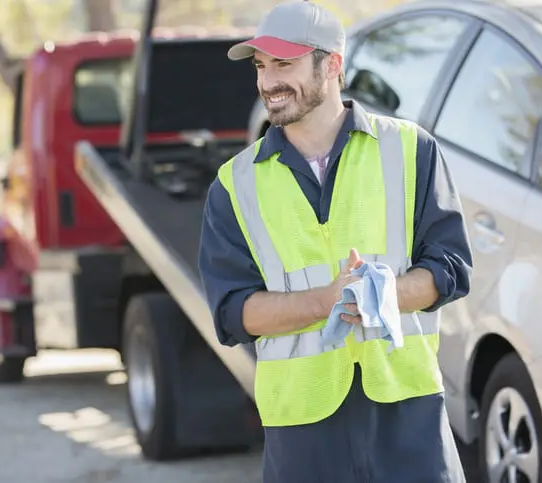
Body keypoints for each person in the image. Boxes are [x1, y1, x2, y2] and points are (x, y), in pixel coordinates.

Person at [198, 1, 473, 481]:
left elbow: (450, 268)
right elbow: (232, 313)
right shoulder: (233, 185)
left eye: (284, 64)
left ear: (332, 66)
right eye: (262, 67)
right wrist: (325, 302)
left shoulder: (411, 149)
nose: (268, 82)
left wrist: (384, 294)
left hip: (407, 415)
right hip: (302, 429)